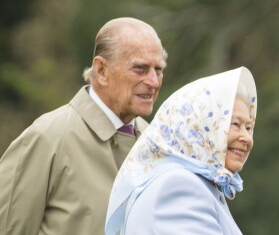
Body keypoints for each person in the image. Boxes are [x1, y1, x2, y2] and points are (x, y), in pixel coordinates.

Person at [0, 17, 167, 235]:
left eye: (158, 69)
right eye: (140, 69)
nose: (153, 82)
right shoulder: (48, 136)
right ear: (101, 71)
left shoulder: (156, 143)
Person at [105, 66, 257, 235]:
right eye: (235, 124)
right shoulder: (179, 186)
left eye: (249, 127)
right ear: (199, 125)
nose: (247, 138)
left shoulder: (194, 183)